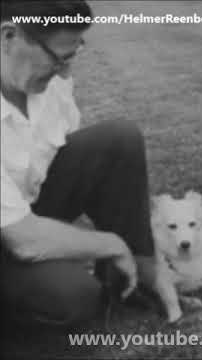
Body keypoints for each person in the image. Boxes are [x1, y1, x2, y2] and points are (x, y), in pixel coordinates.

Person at [0, 0, 154, 327]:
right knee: (75, 297)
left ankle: (140, 278)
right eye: (58, 58)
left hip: (25, 211)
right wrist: (109, 244)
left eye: (73, 54)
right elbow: (22, 239)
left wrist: (116, 245)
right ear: (9, 36)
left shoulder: (50, 82)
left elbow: (78, 168)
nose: (66, 71)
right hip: (11, 236)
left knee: (119, 138)